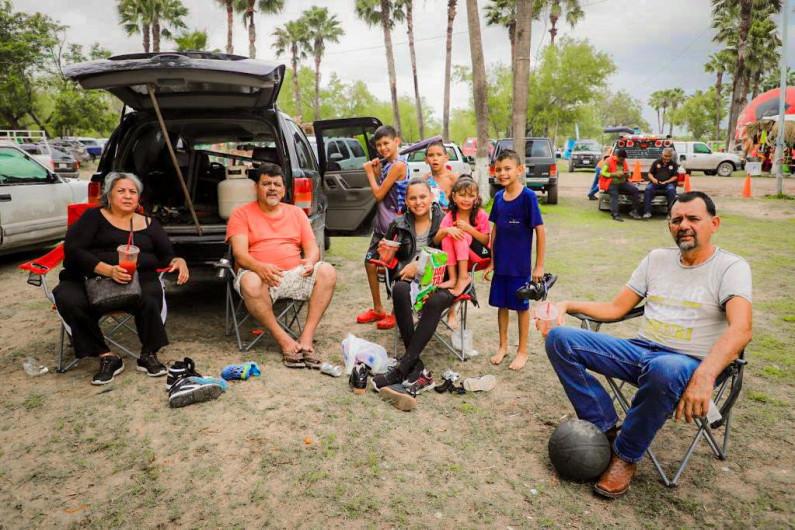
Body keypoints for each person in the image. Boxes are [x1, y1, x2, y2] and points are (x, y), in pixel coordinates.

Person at [543, 191, 752, 498]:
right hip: (641, 350)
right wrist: (565, 304)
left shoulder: (731, 267)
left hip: (690, 363)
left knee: (665, 367)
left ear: (714, 223)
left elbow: (741, 329)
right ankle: (606, 428)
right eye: (676, 219)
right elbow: (616, 309)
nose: (684, 225)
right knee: (560, 339)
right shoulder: (657, 259)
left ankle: (625, 456)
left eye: (693, 219)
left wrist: (705, 376)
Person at [53, 172, 190, 385]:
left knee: (151, 293)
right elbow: (73, 250)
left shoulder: (149, 223)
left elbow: (167, 254)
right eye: (121, 191)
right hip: (90, 276)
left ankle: (148, 354)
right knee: (68, 298)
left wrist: (178, 260)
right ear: (109, 195)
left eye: (132, 192)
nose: (128, 196)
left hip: (137, 277)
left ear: (139, 197)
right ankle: (107, 356)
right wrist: (107, 270)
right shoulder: (93, 217)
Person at [226, 163, 337, 369]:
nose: (272, 188)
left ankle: (306, 338)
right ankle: (284, 340)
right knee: (250, 281)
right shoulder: (241, 214)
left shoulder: (296, 213)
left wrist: (310, 262)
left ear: (284, 190)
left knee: (327, 271)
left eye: (277, 184)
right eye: (266, 183)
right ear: (256, 188)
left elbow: (312, 248)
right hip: (258, 276)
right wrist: (259, 268)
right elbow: (240, 254)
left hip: (294, 274)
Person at [370, 178, 447, 403]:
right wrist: (386, 254)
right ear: (406, 200)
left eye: (422, 196)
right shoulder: (399, 222)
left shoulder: (444, 220)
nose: (418, 202)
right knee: (400, 291)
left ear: (431, 197)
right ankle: (416, 365)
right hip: (408, 278)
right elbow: (384, 257)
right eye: (412, 198)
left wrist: (420, 264)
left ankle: (403, 366)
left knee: (435, 301)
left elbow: (452, 255)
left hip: (440, 279)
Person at [483, 149, 546, 371]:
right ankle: (503, 347)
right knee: (502, 305)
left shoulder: (528, 197)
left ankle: (523, 351)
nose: (502, 173)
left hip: (520, 266)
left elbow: (540, 231)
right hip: (501, 265)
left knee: (521, 307)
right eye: (498, 169)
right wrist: (492, 261)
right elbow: (495, 231)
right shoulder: (499, 197)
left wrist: (538, 265)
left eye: (507, 168)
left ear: (519, 170)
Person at [357, 125, 409, 330]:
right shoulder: (388, 165)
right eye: (378, 145)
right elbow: (385, 190)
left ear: (397, 141)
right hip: (382, 225)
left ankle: (397, 313)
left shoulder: (398, 165)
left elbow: (378, 194)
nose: (382, 148)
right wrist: (378, 173)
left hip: (396, 227)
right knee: (369, 263)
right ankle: (378, 309)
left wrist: (369, 172)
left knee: (395, 269)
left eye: (386, 143)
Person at [434, 176, 490, 297]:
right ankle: (453, 278)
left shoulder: (481, 215)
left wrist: (468, 229)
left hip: (479, 256)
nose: (466, 199)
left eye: (471, 196)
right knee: (448, 235)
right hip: (458, 261)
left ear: (477, 198)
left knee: (460, 234)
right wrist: (447, 230)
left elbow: (486, 241)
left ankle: (463, 277)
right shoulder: (450, 216)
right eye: (462, 195)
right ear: (454, 196)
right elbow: (436, 239)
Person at [599, 149, 641, 222]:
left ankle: (634, 211)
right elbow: (603, 173)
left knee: (635, 189)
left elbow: (628, 172)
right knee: (614, 195)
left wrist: (627, 174)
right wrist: (615, 174)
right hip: (611, 183)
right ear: (616, 156)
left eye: (624, 159)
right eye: (621, 159)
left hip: (623, 182)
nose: (622, 161)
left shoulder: (624, 162)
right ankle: (615, 214)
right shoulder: (608, 161)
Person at [642, 147, 679, 219]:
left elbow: (675, 177)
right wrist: (653, 179)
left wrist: (667, 181)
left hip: (668, 184)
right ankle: (647, 212)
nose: (667, 158)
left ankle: (670, 213)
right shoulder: (656, 162)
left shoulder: (674, 164)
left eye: (668, 156)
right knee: (648, 189)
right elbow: (650, 174)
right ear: (662, 155)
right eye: (665, 156)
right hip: (656, 183)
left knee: (671, 190)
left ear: (671, 156)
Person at [422, 140, 458, 210]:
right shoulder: (424, 179)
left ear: (446, 158)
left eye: (439, 155)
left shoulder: (453, 178)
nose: (435, 159)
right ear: (426, 160)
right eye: (431, 155)